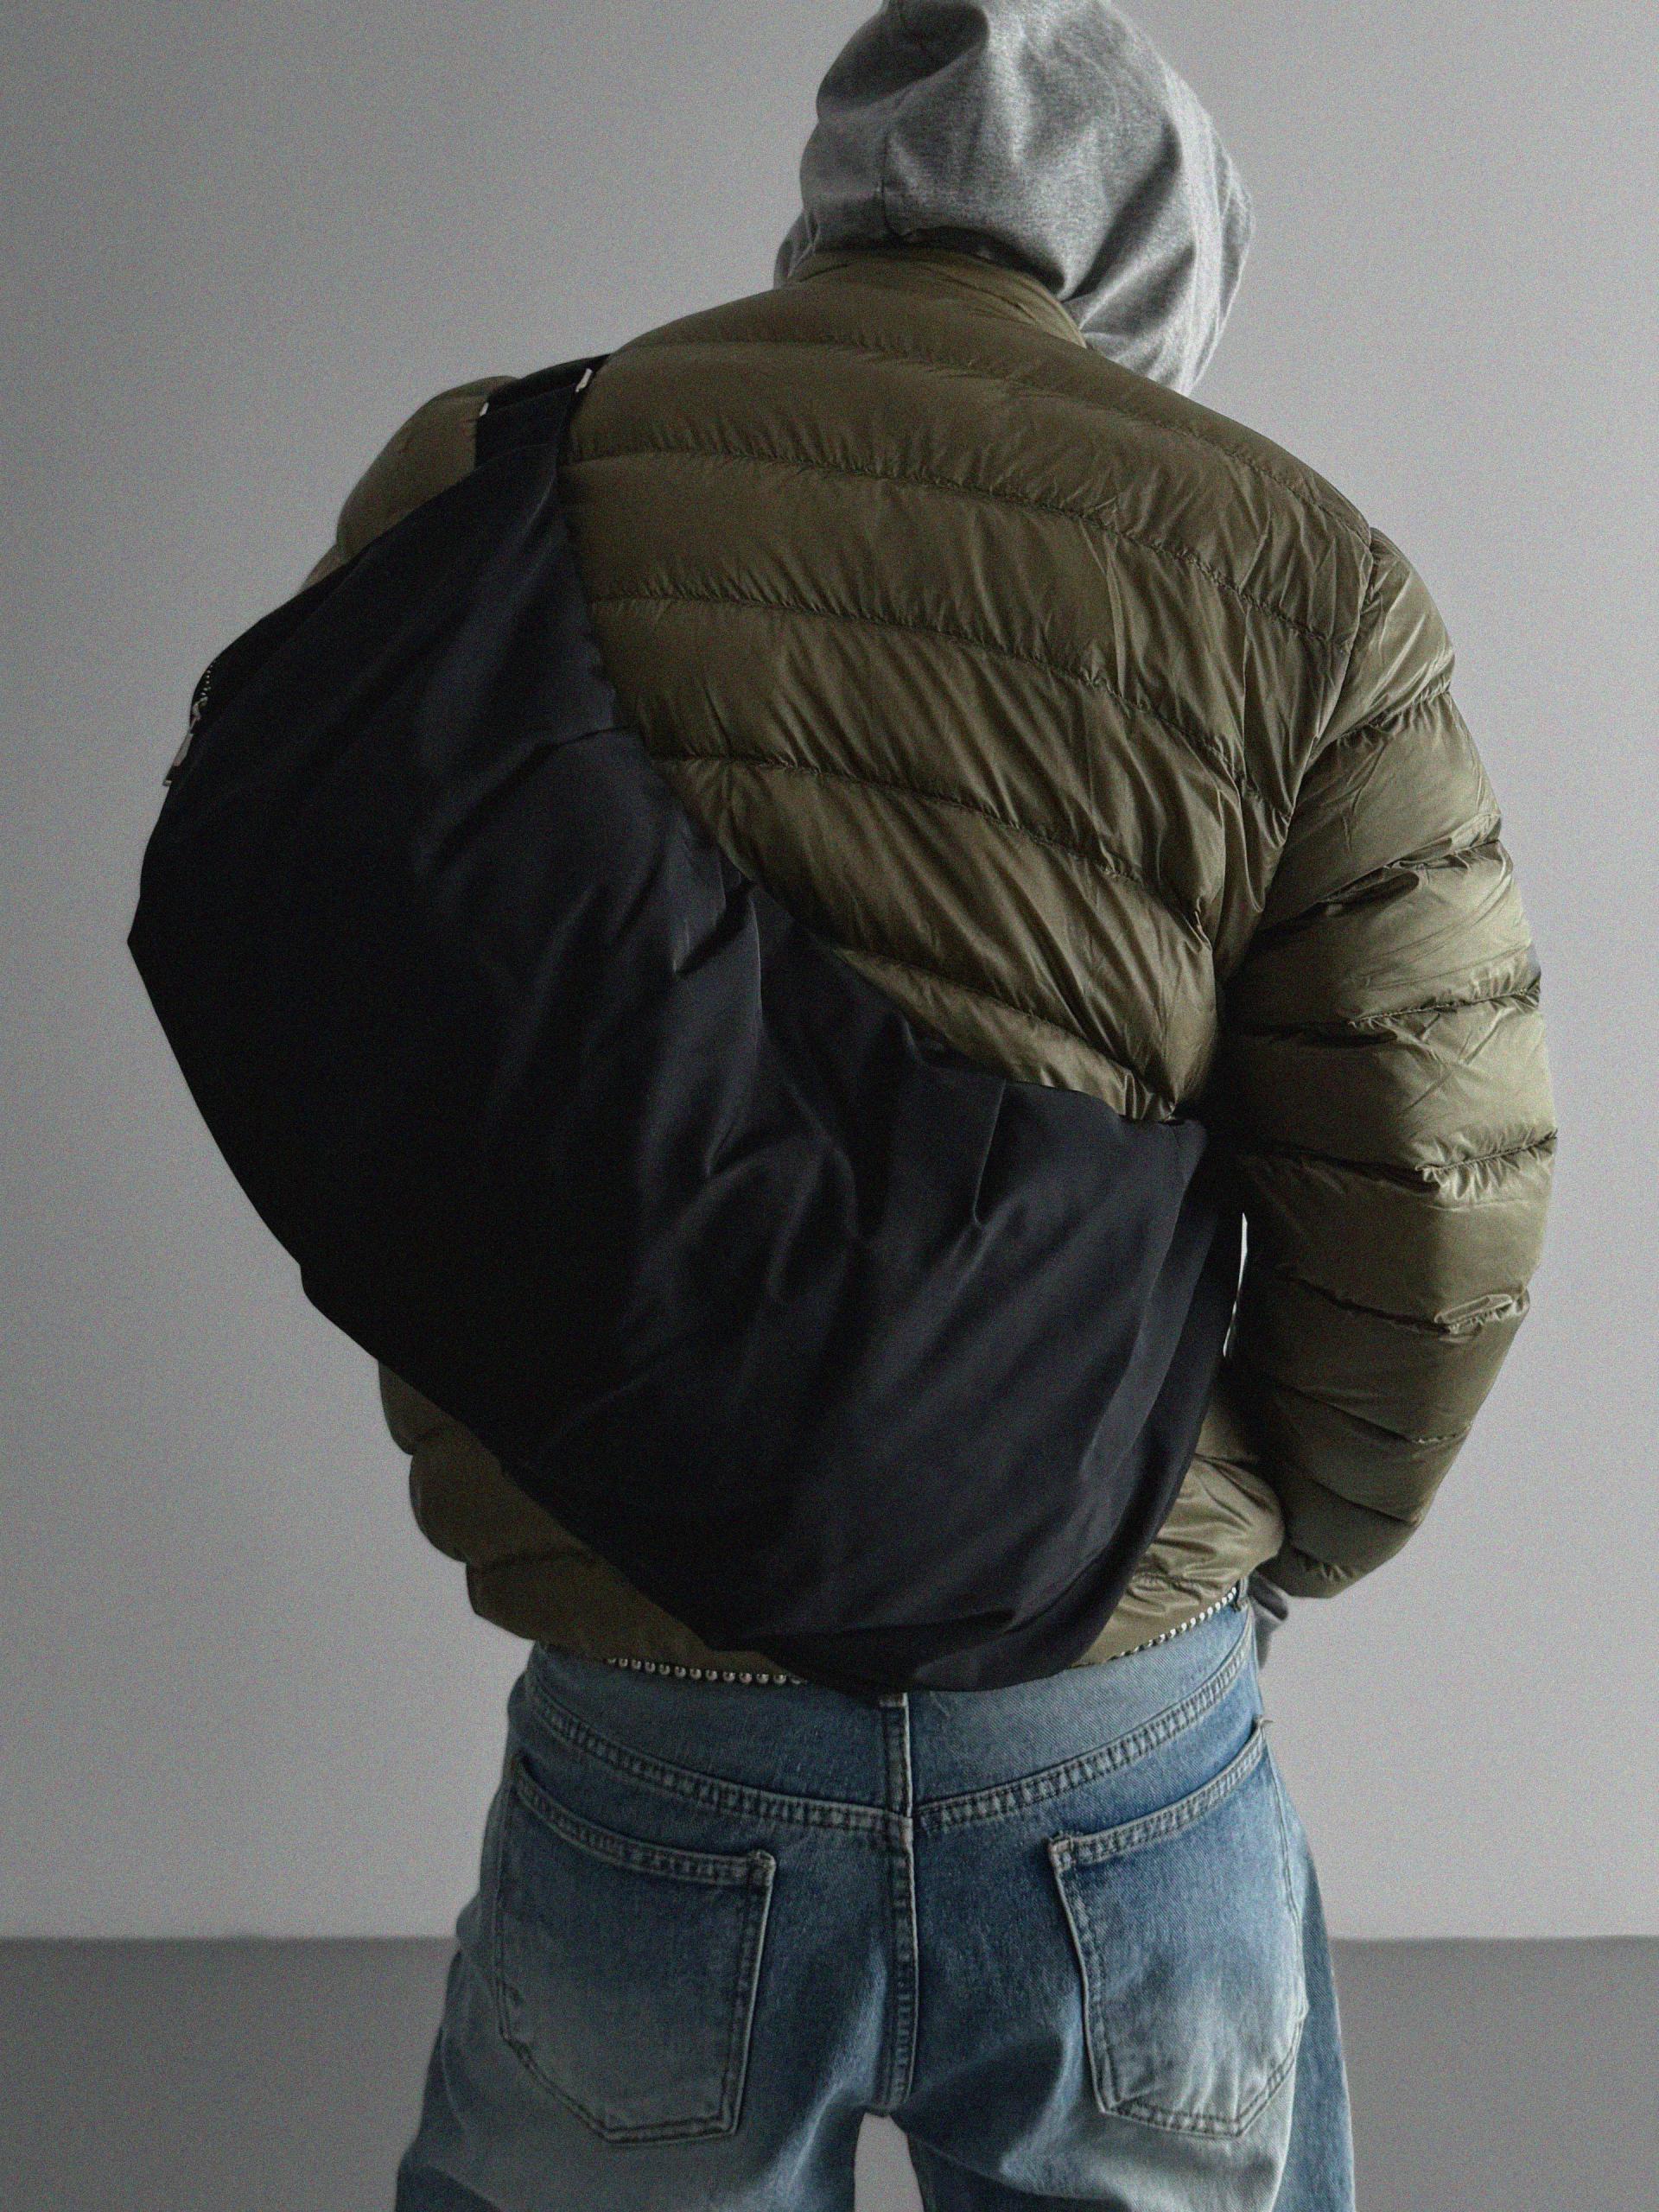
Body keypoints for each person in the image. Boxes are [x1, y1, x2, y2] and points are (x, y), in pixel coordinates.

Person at [295, 5, 1554, 2205]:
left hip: (654, 1686)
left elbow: (364, 1011)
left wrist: (555, 1442)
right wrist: (1280, 1535)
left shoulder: (497, 477)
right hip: (1114, 1713)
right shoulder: (1294, 567)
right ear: (1157, 244)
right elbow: (1437, 1179)